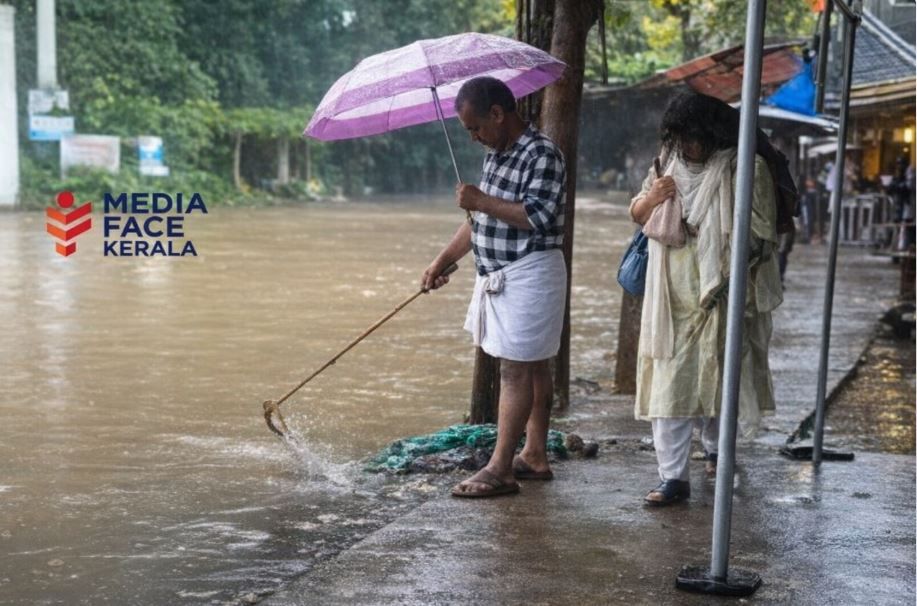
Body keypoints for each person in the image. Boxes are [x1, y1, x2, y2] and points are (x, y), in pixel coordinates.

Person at [629, 91, 783, 506]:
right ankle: (673, 477)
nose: (689, 147)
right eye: (682, 138)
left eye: (695, 138)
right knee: (671, 383)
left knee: (720, 378)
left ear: (713, 134)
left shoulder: (745, 166)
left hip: (724, 291)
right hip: (671, 294)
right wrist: (653, 198)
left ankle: (718, 451)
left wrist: (726, 273)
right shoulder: (667, 163)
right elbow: (638, 212)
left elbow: (763, 231)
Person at [421, 76, 567, 498]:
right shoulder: (495, 155)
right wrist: (443, 261)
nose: (472, 137)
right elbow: (479, 222)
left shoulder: (541, 154)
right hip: (499, 274)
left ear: (498, 114)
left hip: (530, 271)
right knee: (534, 365)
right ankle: (534, 455)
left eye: (475, 127)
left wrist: (479, 200)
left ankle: (501, 467)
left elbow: (535, 216)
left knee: (516, 368)